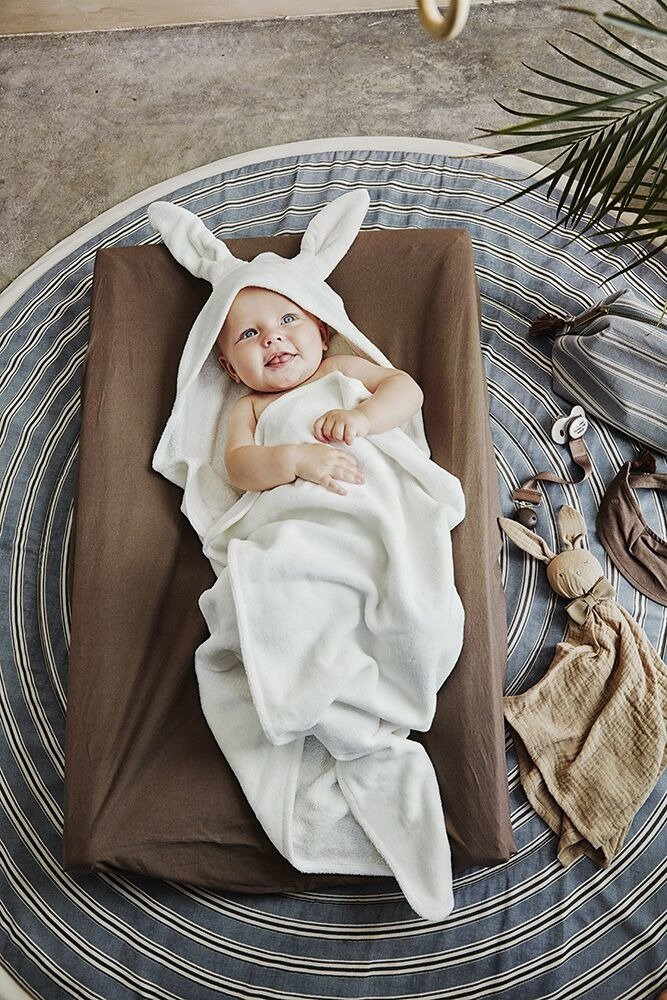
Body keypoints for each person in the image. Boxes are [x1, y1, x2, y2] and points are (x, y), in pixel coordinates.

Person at [218, 285, 424, 496]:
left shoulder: (340, 369)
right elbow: (238, 468)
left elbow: (407, 389)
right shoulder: (250, 408)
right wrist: (295, 460)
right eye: (249, 333)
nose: (272, 338)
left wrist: (365, 417)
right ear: (232, 368)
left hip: (379, 492)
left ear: (322, 335)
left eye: (287, 319)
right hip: (299, 508)